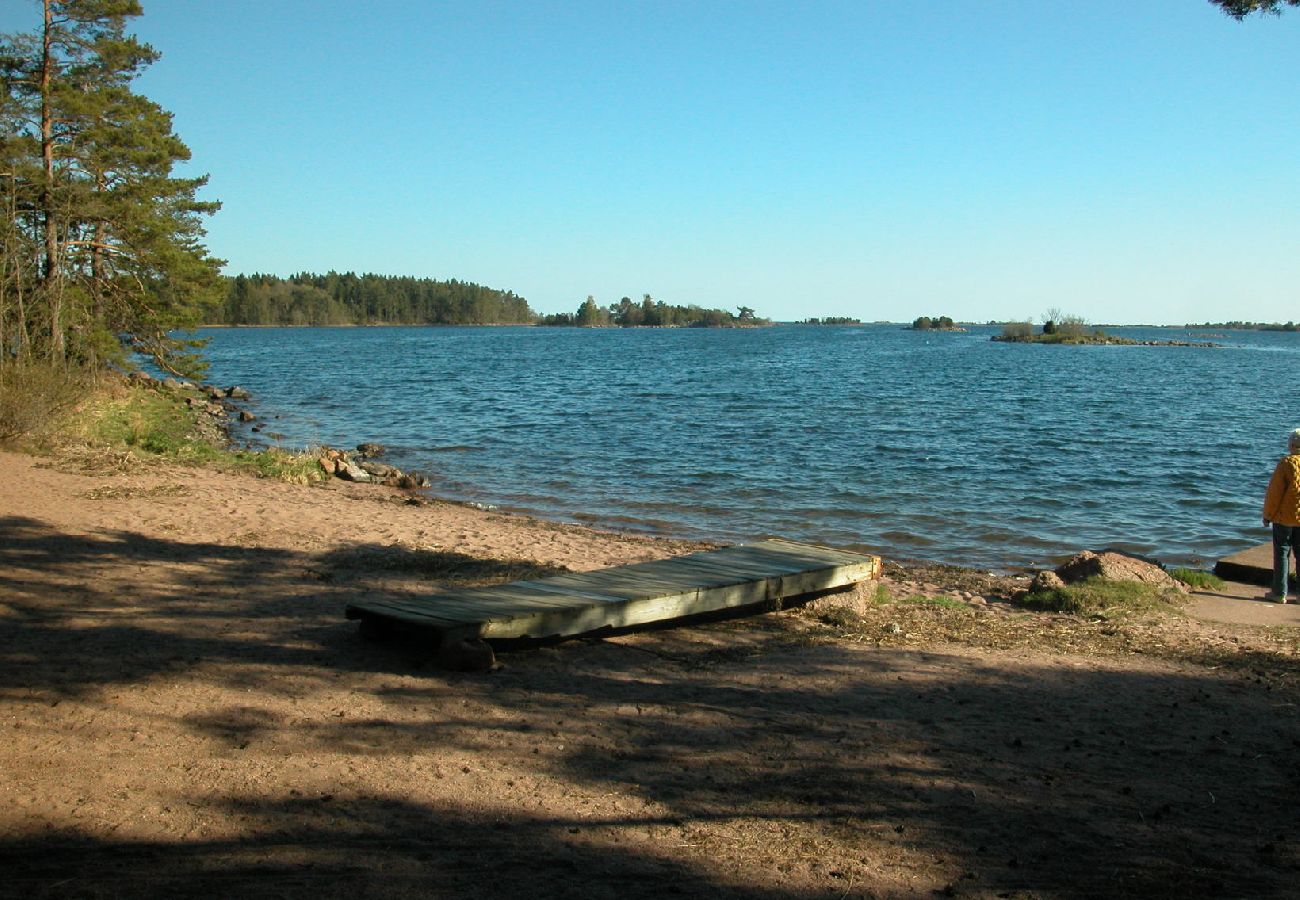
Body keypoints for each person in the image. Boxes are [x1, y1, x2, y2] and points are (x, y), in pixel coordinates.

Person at [1261, 428, 1300, 602]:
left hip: (1284, 518)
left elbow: (1274, 494)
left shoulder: (1286, 463)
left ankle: (1279, 592)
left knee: (1282, 553)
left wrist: (1267, 515)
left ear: (1292, 445)